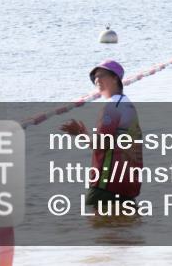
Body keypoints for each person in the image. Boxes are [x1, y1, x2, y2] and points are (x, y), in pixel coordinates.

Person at [60, 59, 143, 207]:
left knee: (98, 227)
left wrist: (79, 134)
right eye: (94, 78)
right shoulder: (128, 105)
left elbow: (100, 145)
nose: (97, 80)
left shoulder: (112, 107)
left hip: (107, 183)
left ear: (115, 78)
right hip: (128, 183)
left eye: (101, 75)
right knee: (125, 227)